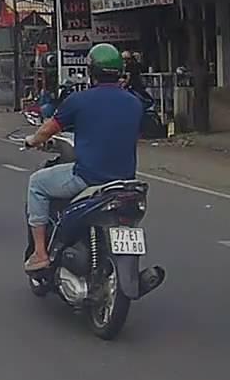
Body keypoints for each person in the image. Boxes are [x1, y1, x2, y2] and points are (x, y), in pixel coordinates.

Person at [21, 43, 143, 272]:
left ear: (91, 71)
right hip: (125, 181)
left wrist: (32, 141)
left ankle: (39, 253)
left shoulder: (79, 100)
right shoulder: (134, 103)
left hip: (89, 178)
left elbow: (47, 130)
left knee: (37, 183)